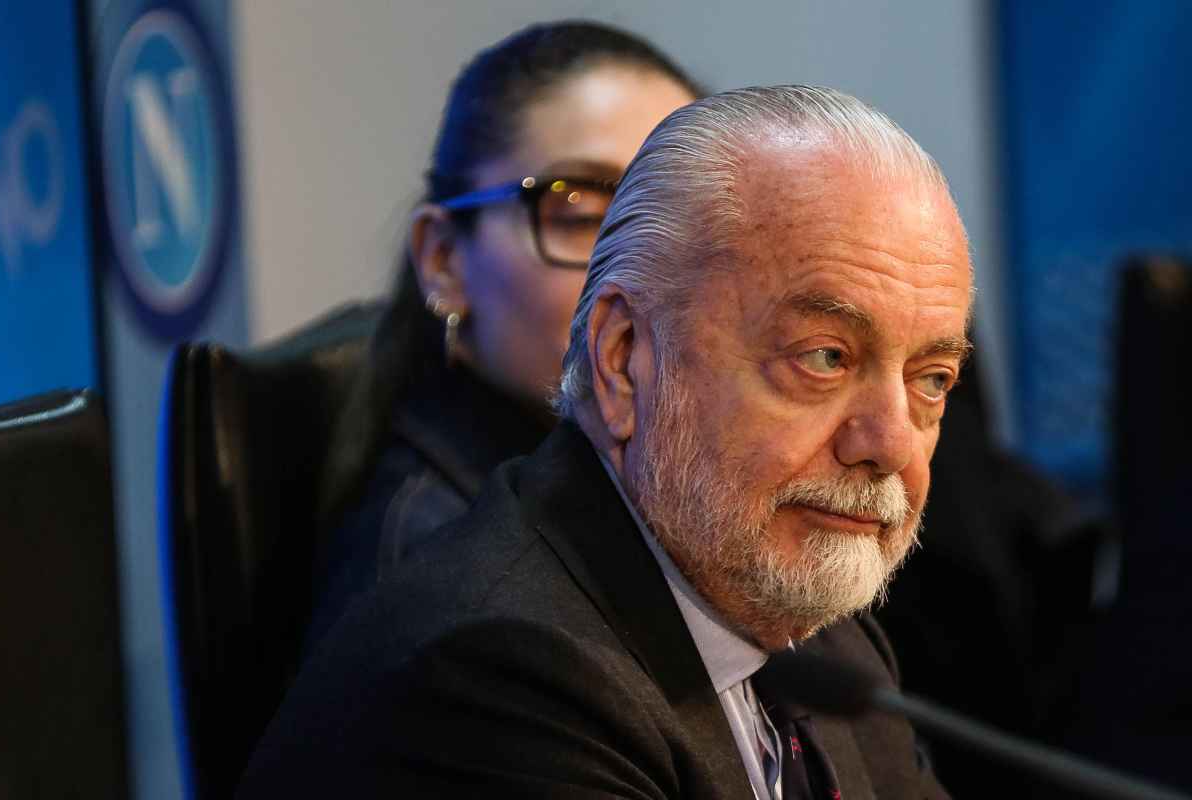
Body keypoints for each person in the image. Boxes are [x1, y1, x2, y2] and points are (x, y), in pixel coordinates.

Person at [244, 85, 970, 798]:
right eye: (825, 358)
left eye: (932, 380)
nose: (889, 444)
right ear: (624, 359)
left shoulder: (827, 647)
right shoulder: (500, 678)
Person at [307, 21, 701, 648]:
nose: (649, 270)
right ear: (444, 260)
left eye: (682, 219)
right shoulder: (444, 585)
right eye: (581, 214)